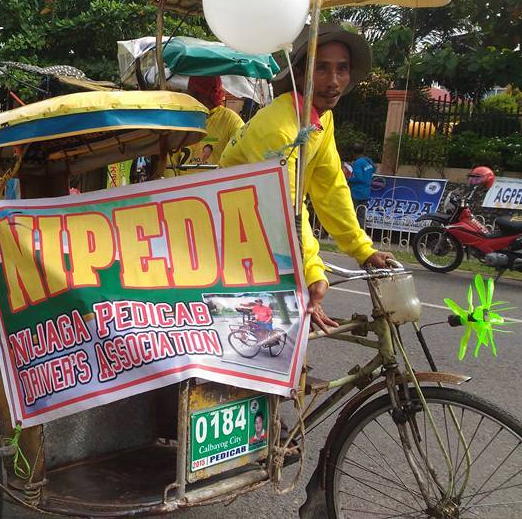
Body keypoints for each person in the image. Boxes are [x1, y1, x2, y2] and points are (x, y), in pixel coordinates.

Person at [219, 23, 392, 331]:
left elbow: (331, 188)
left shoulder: (320, 119)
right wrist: (311, 270)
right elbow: (283, 208)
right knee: (259, 342)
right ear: (299, 74)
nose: (334, 81)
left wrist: (362, 249)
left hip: (266, 237)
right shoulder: (279, 128)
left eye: (342, 69)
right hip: (234, 240)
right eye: (322, 69)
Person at [166, 76, 244, 176]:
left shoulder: (231, 120)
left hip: (215, 187)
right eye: (190, 91)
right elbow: (170, 161)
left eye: (194, 92)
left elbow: (239, 157)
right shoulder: (181, 120)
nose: (189, 96)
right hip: (183, 188)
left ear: (206, 94)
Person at [347, 142, 375, 229]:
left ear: (353, 152)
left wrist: (348, 179)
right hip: (366, 192)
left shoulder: (358, 163)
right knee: (361, 215)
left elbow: (359, 178)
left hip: (356, 192)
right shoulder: (368, 161)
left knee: (352, 215)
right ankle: (362, 234)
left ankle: (353, 233)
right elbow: (373, 169)